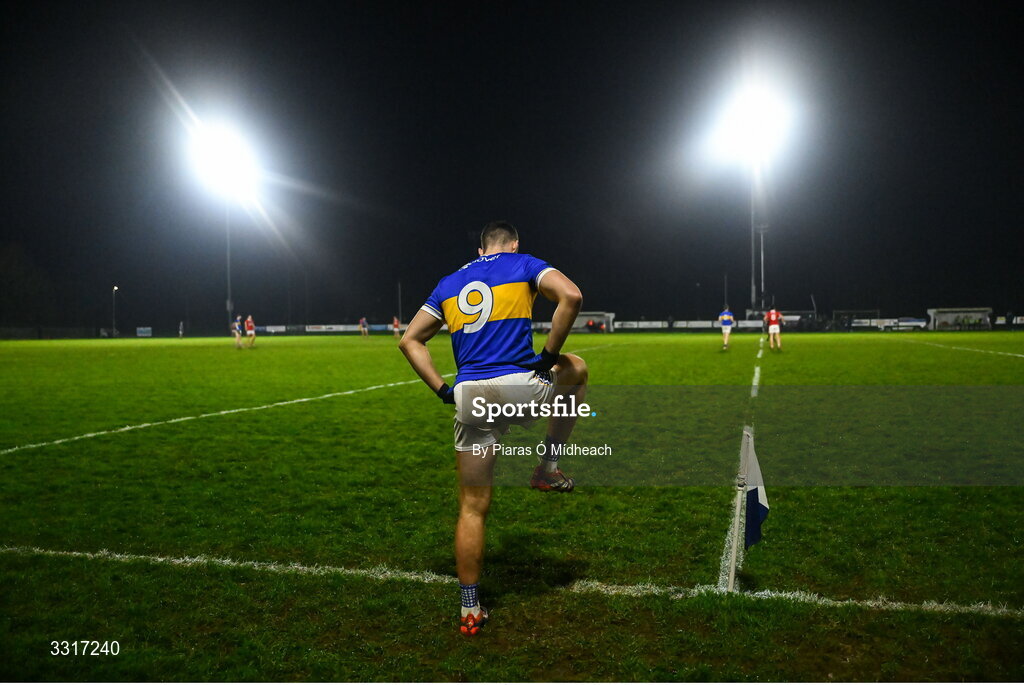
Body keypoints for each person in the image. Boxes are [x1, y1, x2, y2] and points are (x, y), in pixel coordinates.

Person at [399, 220, 587, 636]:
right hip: (520, 388)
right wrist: (548, 355)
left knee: (471, 507)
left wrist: (443, 391)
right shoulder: (523, 264)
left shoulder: (448, 282)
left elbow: (409, 340)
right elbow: (571, 296)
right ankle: (548, 467)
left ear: (481, 248)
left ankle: (469, 609)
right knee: (576, 368)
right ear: (514, 244)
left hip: (470, 396)